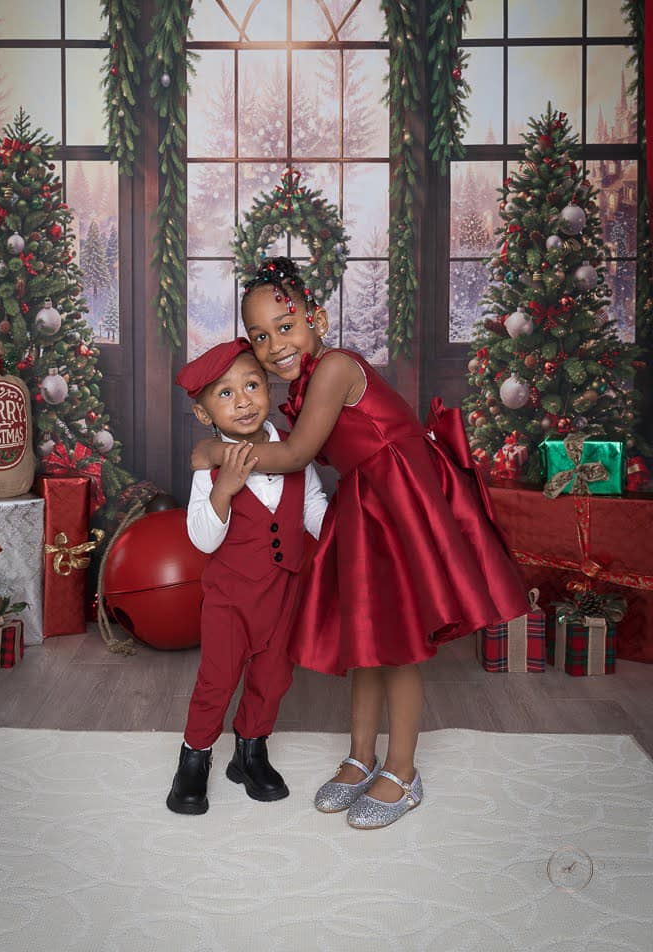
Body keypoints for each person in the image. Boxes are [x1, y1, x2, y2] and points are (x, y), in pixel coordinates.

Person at [191, 259, 528, 830]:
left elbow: (296, 457)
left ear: (317, 318)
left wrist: (214, 452)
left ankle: (403, 769)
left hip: (400, 500)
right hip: (367, 500)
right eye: (261, 336)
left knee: (396, 643)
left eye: (286, 325)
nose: (275, 345)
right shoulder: (304, 383)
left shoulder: (335, 369)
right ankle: (361, 756)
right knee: (366, 636)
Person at [167, 337, 328, 816]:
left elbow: (313, 505)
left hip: (283, 593)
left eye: (252, 385)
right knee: (217, 681)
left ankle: (250, 750)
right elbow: (201, 538)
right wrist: (224, 491)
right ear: (204, 415)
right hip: (231, 600)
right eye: (225, 394)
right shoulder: (212, 464)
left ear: (269, 388)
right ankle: (194, 759)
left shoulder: (293, 448)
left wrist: (343, 539)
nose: (242, 400)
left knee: (273, 678)